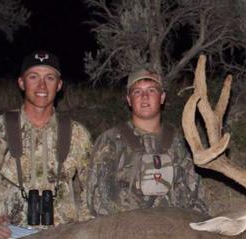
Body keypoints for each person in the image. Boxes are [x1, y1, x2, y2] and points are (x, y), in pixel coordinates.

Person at [0, 50, 92, 239]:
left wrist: (82, 228)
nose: (42, 85)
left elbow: (93, 187)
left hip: (63, 235)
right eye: (33, 77)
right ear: (21, 83)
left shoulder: (77, 133)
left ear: (59, 85)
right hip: (10, 233)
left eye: (49, 78)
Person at [87, 68, 207, 215]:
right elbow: (95, 201)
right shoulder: (110, 141)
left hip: (174, 231)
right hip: (125, 232)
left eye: (151, 90)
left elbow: (198, 198)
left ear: (162, 97)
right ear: (129, 100)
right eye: (137, 91)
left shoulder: (180, 143)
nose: (144, 97)